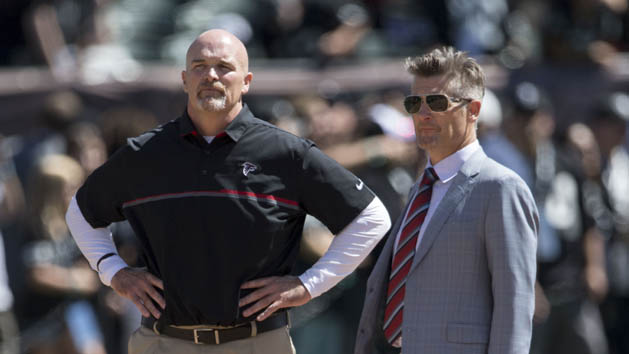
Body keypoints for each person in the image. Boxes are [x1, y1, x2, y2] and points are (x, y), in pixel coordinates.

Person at [65, 29, 391, 354]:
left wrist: (309, 285)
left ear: (246, 80)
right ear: (184, 79)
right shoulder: (144, 155)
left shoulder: (286, 154)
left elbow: (371, 218)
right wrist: (113, 271)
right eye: (199, 66)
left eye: (224, 66)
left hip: (259, 343)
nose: (210, 75)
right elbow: (80, 213)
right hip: (163, 342)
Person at [354, 47, 539, 354]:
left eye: (437, 102)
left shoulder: (502, 187)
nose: (423, 114)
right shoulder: (421, 188)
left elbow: (514, 305)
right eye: (415, 103)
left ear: (474, 110)